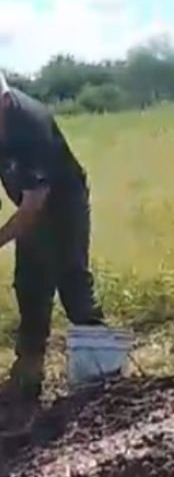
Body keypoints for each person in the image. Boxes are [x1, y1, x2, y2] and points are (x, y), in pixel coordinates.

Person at [0, 73, 107, 415]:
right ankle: (27, 379)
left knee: (72, 285)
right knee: (30, 291)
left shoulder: (29, 125)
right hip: (30, 207)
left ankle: (102, 378)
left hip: (63, 208)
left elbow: (34, 206)